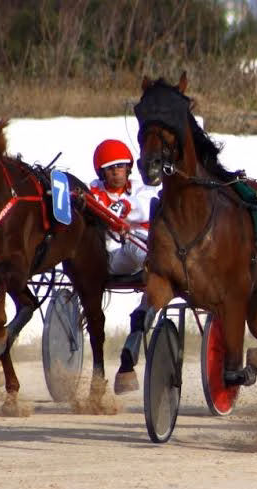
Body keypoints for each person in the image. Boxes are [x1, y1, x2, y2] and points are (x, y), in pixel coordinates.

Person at [89, 139, 156, 393]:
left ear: (129, 168)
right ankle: (154, 269)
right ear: (101, 172)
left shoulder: (140, 189)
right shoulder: (94, 191)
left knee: (142, 244)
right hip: (111, 258)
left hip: (140, 248)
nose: (116, 172)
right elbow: (94, 207)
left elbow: (146, 205)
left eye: (120, 166)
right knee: (134, 246)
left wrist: (124, 207)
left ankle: (152, 286)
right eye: (110, 168)